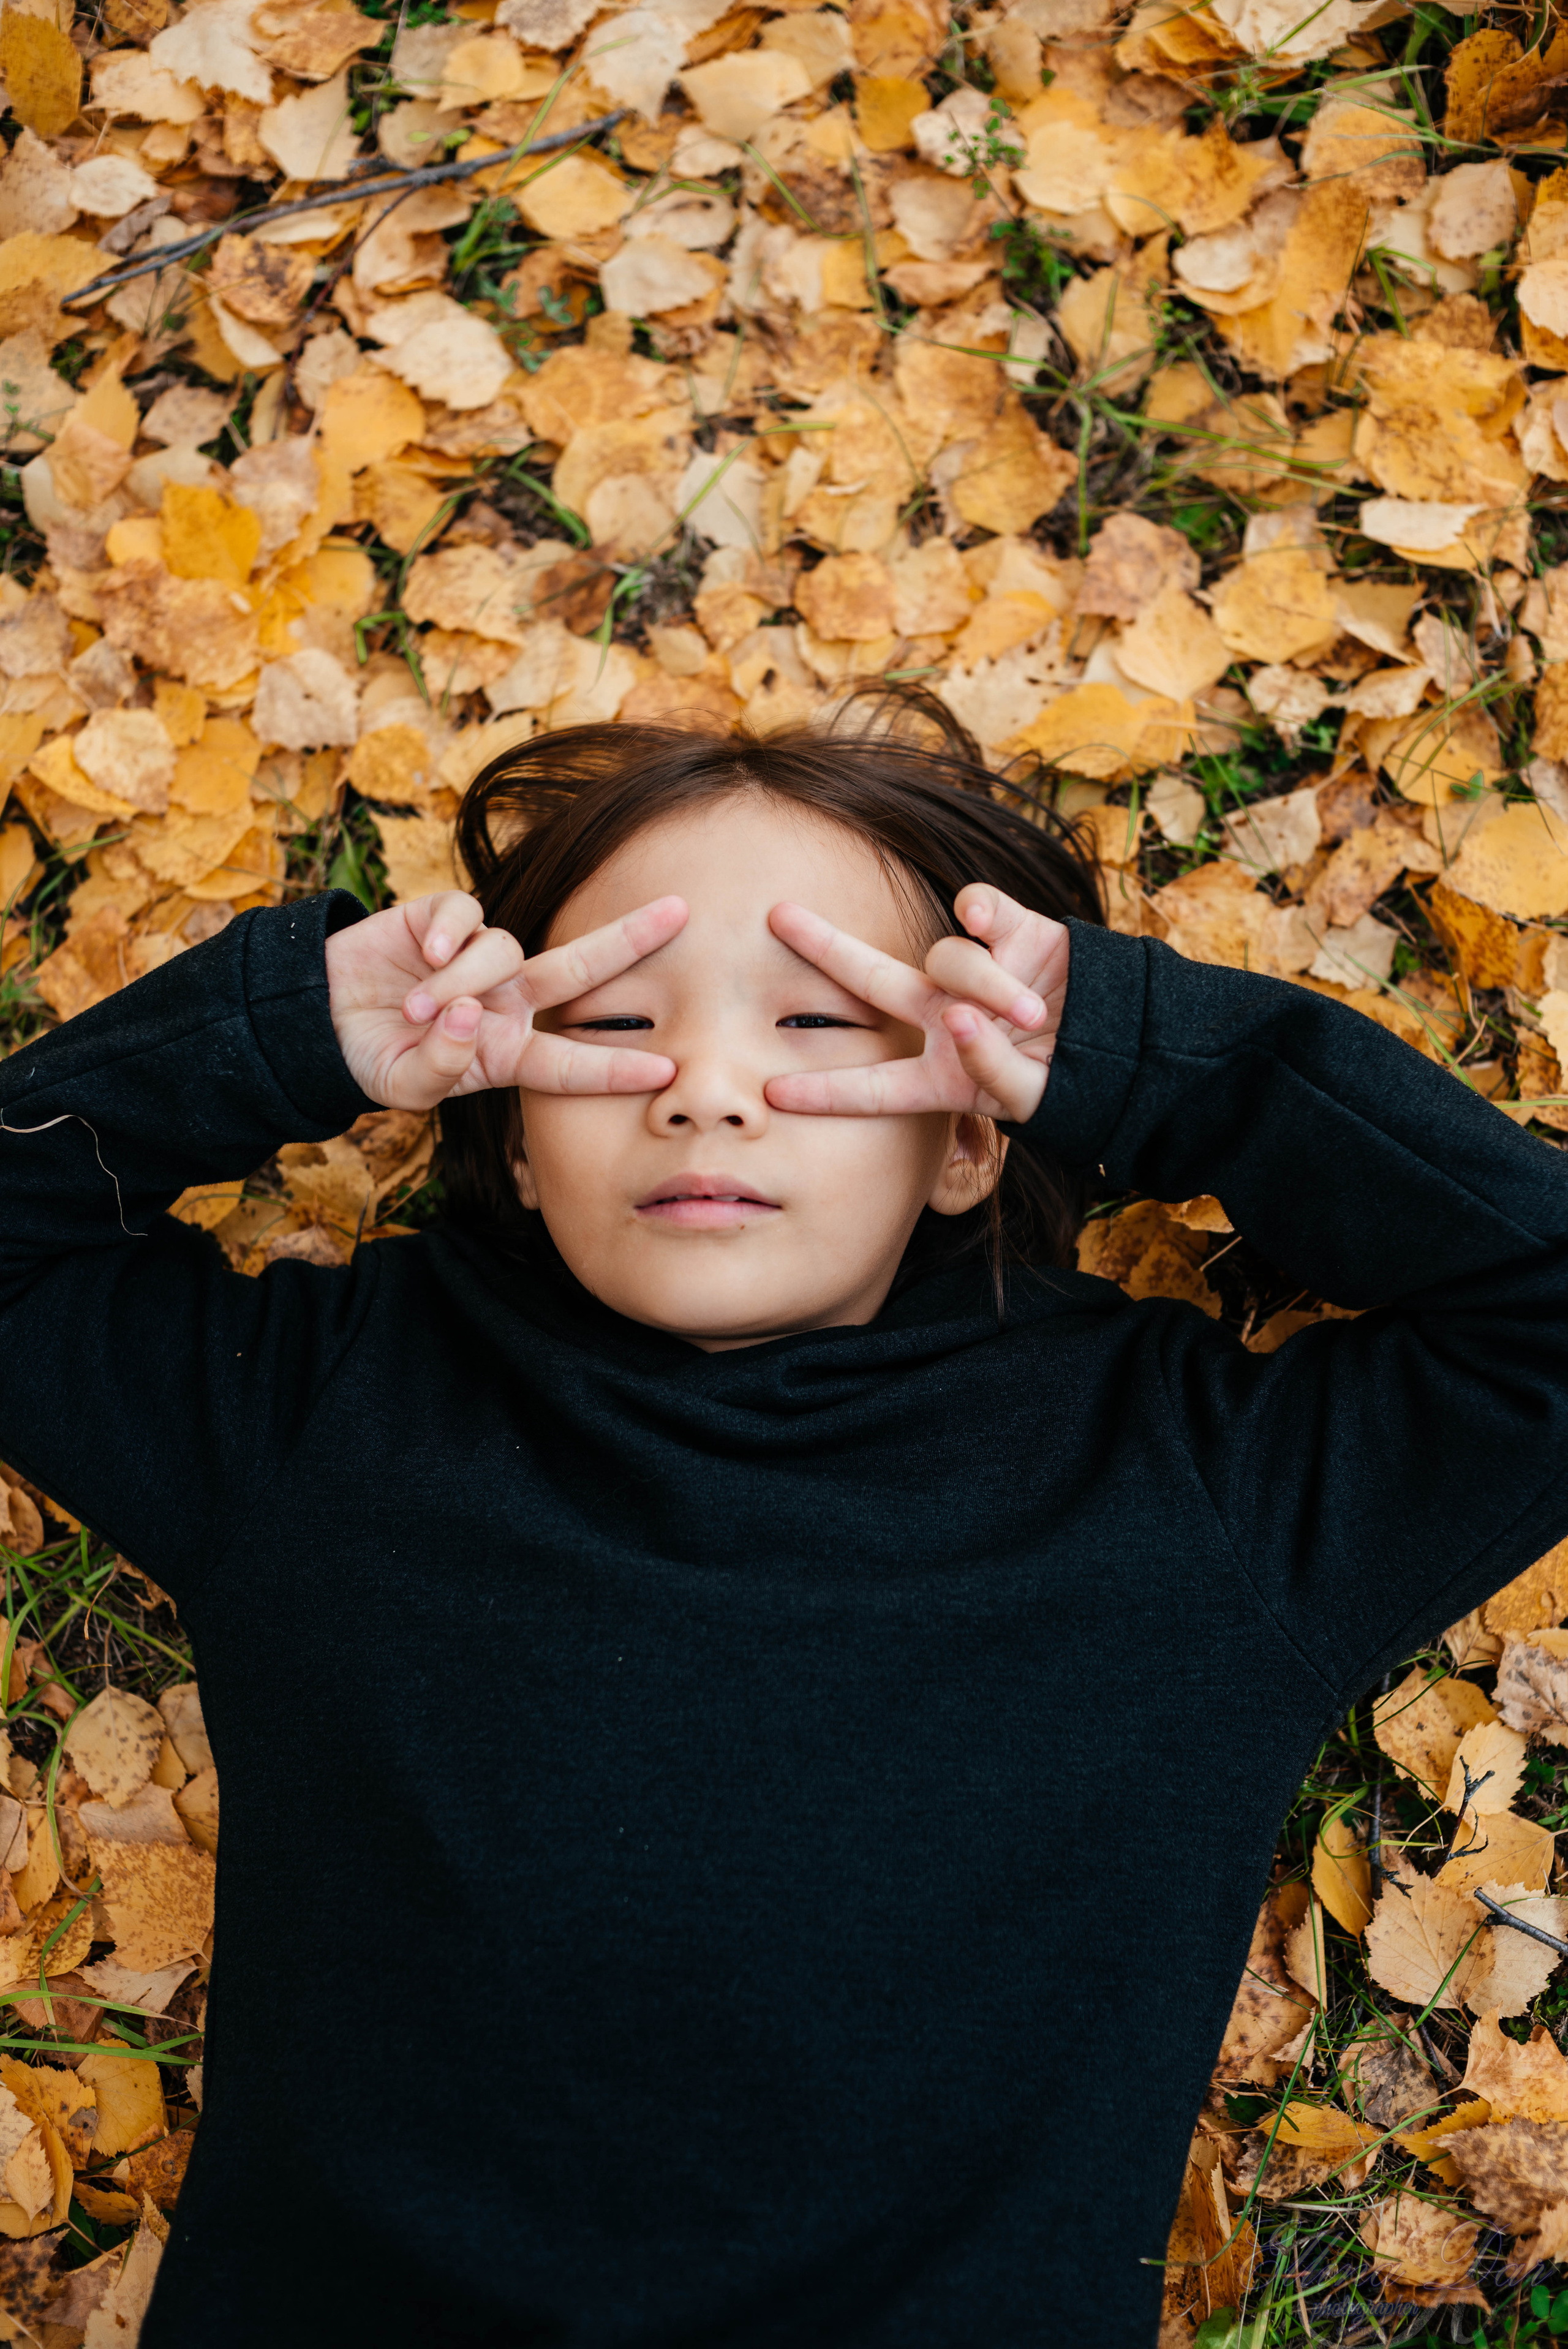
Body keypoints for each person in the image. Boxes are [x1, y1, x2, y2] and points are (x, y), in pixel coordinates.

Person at [0, 695, 1564, 2348]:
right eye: (611, 1024)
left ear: (968, 1131)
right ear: (515, 1147)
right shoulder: (324, 1409)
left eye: (819, 1023)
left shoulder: (1194, 1487)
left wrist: (1144, 1052)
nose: (707, 1088)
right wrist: (288, 1029)